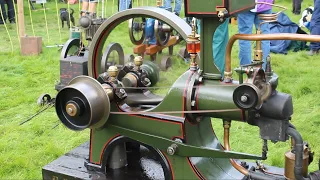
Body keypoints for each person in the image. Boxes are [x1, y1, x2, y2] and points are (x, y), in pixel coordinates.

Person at [237, 0, 274, 69]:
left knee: (244, 38)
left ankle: (245, 69)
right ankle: (263, 69)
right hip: (265, 4)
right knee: (264, 38)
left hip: (245, 5)